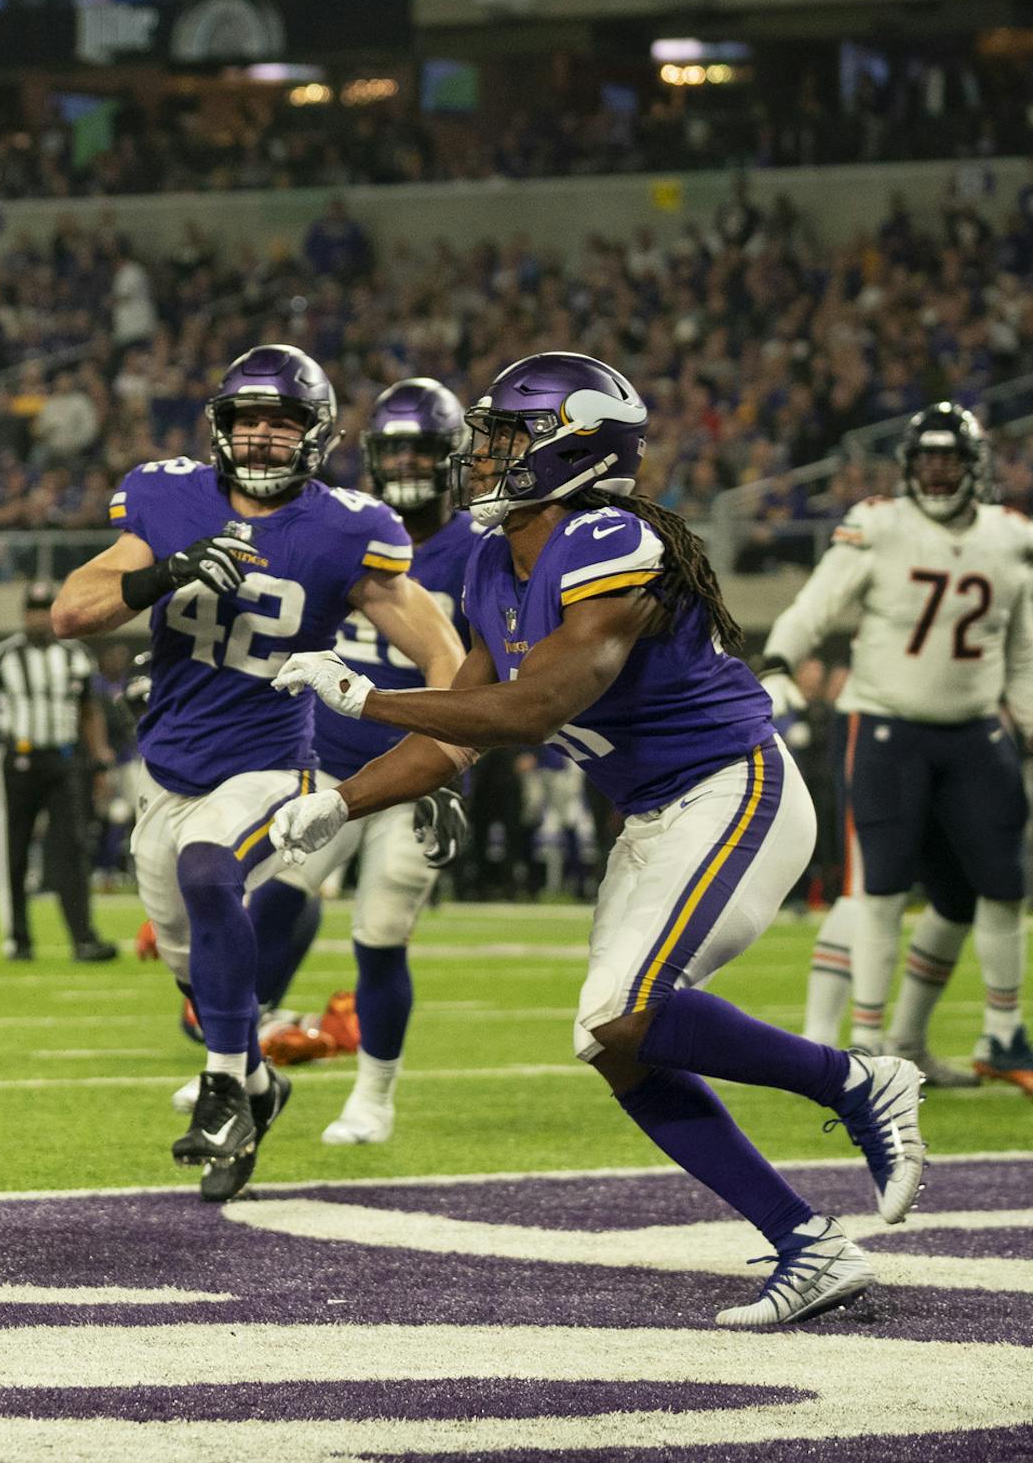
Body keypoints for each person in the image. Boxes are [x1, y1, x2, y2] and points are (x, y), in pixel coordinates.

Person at [267, 351, 928, 1329]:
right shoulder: (497, 559)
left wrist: (364, 695)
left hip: (731, 788)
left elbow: (535, 709)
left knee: (632, 1007)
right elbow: (461, 720)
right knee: (612, 1039)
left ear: (575, 444)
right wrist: (344, 801)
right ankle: (808, 1243)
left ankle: (859, 1079)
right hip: (656, 814)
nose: (486, 456)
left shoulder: (612, 539)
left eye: (508, 436)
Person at [50, 346, 464, 1201]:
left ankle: (227, 1089)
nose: (264, 438)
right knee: (195, 970)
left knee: (214, 867)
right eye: (249, 420)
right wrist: (165, 570)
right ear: (219, 429)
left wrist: (452, 763)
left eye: (282, 423)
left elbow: (447, 660)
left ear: (315, 437)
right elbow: (70, 612)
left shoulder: (351, 527)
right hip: (166, 768)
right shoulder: (167, 498)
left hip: (275, 766)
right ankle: (259, 1080)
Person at [762, 402, 1033, 1095]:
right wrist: (779, 660)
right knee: (878, 888)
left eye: (949, 460)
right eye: (927, 460)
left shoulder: (1009, 539)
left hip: (975, 727)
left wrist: (1028, 727)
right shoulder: (880, 525)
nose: (937, 473)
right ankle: (870, 1042)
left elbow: (1024, 651)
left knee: (1000, 884)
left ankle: (1001, 1033)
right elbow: (819, 602)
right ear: (909, 467)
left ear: (973, 468)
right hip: (886, 725)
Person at [287, 379, 482, 1146]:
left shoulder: (482, 549)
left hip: (419, 766)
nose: (405, 462)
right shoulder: (346, 527)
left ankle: (374, 1094)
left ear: (452, 460)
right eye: (393, 447)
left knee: (382, 924)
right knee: (271, 888)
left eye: (420, 449)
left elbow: (486, 677)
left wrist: (456, 766)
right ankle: (233, 1056)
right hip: (323, 761)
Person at [0, 583, 120, 963]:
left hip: (66, 761)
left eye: (44, 608)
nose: (38, 616)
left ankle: (83, 938)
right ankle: (18, 939)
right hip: (18, 761)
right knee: (14, 851)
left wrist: (100, 760)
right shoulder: (3, 656)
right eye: (32, 609)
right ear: (23, 614)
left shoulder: (76, 655)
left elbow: (90, 712)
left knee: (72, 849)